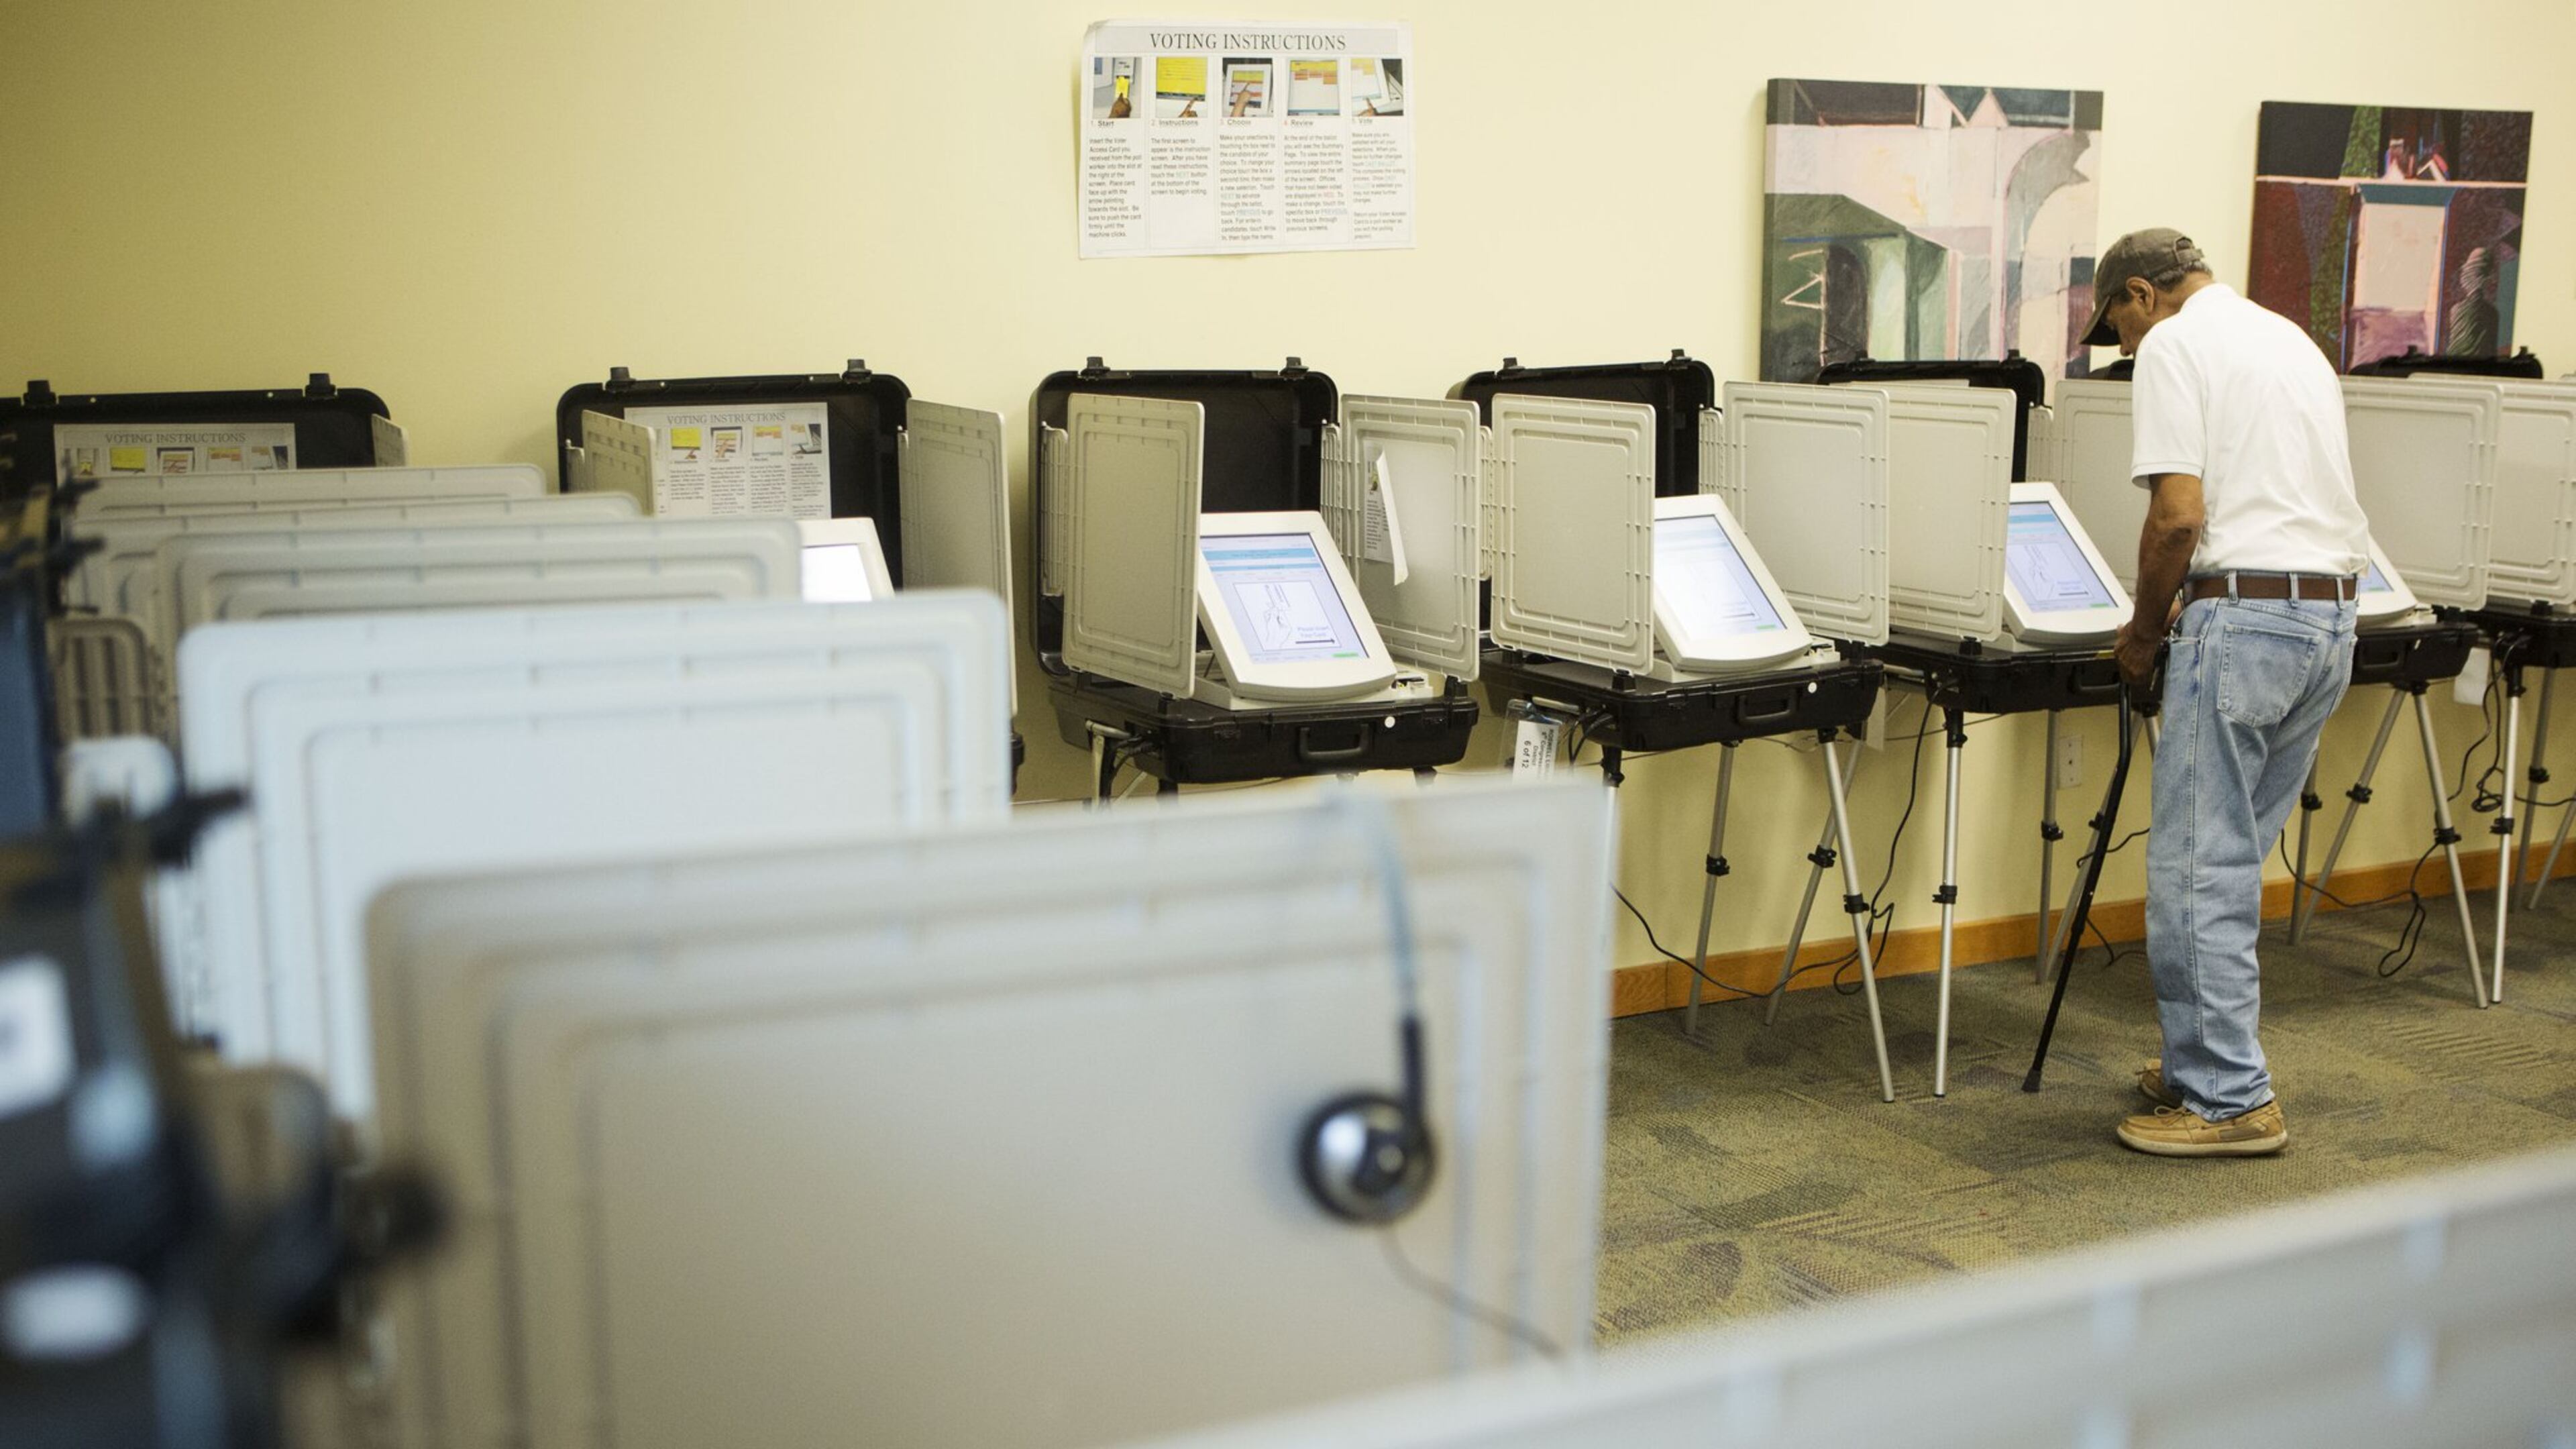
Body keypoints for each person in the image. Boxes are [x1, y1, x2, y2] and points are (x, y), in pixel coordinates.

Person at [2084, 228, 2372, 1158]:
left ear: (2141, 293)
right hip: (2327, 622)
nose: (2123, 346)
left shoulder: (2173, 344)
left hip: (2243, 622)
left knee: (2195, 869)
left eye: (2116, 326)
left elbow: (2178, 517)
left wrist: (2138, 636)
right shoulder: (2289, 338)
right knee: (2231, 861)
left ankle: (2229, 1101)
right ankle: (2203, 1060)